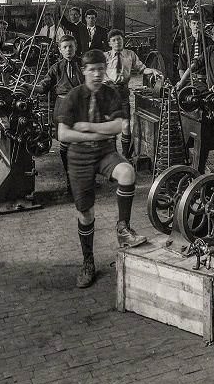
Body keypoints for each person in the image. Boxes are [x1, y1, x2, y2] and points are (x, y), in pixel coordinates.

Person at [57, 48, 147, 288]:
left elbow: (117, 127)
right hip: (79, 158)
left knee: (127, 172)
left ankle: (123, 229)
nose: (97, 74)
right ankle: (88, 262)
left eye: (100, 69)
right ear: (84, 71)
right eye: (92, 70)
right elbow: (63, 134)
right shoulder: (74, 96)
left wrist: (85, 127)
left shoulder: (110, 94)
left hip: (105, 152)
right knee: (86, 214)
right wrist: (98, 129)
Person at [103, 29, 164, 158]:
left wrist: (152, 70)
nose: (117, 42)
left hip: (124, 92)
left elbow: (142, 69)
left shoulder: (130, 55)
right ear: (109, 43)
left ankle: (126, 156)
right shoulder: (105, 56)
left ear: (123, 40)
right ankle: (113, 156)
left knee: (125, 124)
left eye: (119, 39)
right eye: (113, 40)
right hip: (109, 94)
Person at [36, 34, 84, 175]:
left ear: (75, 47)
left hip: (81, 107)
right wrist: (30, 86)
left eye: (71, 46)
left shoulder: (83, 64)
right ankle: (69, 174)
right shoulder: (55, 68)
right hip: (62, 108)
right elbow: (44, 86)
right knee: (64, 142)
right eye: (65, 47)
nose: (68, 50)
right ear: (60, 50)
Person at [177, 13, 207, 78]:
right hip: (190, 79)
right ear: (190, 25)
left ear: (203, 25)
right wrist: (183, 82)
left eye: (199, 23)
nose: (196, 26)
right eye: (194, 23)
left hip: (206, 79)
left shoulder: (210, 42)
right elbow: (181, 67)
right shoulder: (184, 43)